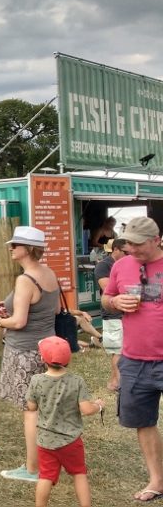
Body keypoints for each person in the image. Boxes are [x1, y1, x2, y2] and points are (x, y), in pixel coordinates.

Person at [0, 226, 59, 482]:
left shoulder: (25, 279)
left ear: (27, 249)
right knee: (44, 408)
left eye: (15, 245)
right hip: (46, 349)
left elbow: (18, 322)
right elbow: (55, 309)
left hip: (24, 350)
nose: (11, 248)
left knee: (31, 411)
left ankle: (32, 468)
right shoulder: (49, 273)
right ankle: (46, 462)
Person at [100, 216, 163, 502]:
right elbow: (106, 297)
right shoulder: (121, 266)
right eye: (129, 244)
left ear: (156, 239)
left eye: (139, 244)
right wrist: (114, 302)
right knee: (143, 421)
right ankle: (157, 480)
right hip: (135, 360)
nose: (133, 250)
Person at [26, 336, 104, 507]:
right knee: (79, 473)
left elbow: (31, 407)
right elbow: (86, 409)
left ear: (42, 358)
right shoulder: (76, 381)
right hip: (71, 441)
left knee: (45, 476)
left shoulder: (36, 381)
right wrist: (98, 406)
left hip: (45, 441)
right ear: (69, 358)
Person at [96, 238, 126, 391]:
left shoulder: (126, 265)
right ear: (115, 250)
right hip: (112, 314)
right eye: (124, 252)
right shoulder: (104, 265)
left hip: (124, 314)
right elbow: (109, 289)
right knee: (117, 350)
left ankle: (115, 381)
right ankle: (118, 384)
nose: (128, 255)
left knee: (121, 350)